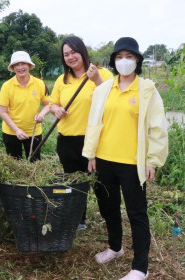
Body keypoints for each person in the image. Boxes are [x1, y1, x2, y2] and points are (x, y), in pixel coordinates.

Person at [82, 37, 168, 280]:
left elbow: (157, 127)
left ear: (137, 60)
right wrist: (91, 154)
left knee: (136, 213)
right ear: (113, 61)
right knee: (108, 208)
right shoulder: (103, 90)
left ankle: (140, 267)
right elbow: (94, 123)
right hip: (104, 160)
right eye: (119, 57)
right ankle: (115, 247)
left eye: (129, 57)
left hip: (133, 163)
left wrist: (152, 159)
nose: (124, 61)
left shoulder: (147, 90)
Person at [49, 36, 113, 230]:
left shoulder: (101, 74)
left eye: (73, 52)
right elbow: (52, 103)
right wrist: (56, 110)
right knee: (73, 183)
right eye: (66, 54)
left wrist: (96, 80)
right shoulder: (63, 80)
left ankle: (111, 221)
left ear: (82, 51)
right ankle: (79, 219)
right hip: (67, 140)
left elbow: (112, 101)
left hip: (94, 141)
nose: (70, 57)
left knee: (101, 183)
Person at [0, 51, 50, 161]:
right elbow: (3, 112)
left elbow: (48, 104)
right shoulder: (7, 86)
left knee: (35, 163)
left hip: (34, 131)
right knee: (15, 166)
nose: (20, 67)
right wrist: (16, 130)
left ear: (29, 65)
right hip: (11, 132)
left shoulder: (39, 83)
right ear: (13, 67)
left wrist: (42, 114)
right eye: (16, 64)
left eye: (23, 64)